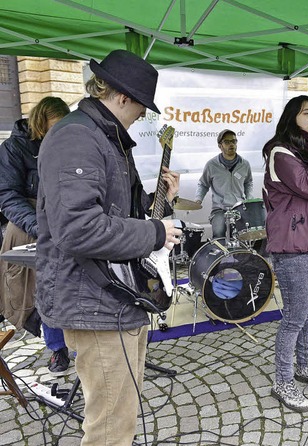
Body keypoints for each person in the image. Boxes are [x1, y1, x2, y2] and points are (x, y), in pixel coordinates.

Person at [36, 49, 182, 445]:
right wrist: (154, 233)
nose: (144, 116)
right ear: (122, 97)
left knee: (121, 415)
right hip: (93, 301)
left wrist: (161, 199)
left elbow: (120, 214)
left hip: (116, 297)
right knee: (109, 427)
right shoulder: (76, 137)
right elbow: (78, 229)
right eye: (142, 108)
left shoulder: (106, 137)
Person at [262, 95, 308, 412]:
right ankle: (283, 380)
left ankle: (305, 366)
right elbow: (307, 187)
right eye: (307, 112)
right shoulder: (280, 152)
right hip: (292, 246)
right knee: (294, 316)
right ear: (292, 117)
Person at [0, 96, 71, 376]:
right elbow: (7, 195)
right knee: (44, 285)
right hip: (30, 224)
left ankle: (82, 339)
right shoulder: (14, 148)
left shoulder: (65, 143)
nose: (60, 131)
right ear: (40, 121)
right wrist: (37, 227)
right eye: (55, 126)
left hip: (64, 220)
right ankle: (57, 348)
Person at [195, 129, 253, 238]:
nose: (231, 144)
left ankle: (240, 255)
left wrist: (249, 198)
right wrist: (198, 199)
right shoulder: (211, 165)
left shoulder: (244, 164)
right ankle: (219, 254)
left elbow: (248, 182)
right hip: (219, 209)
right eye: (227, 142)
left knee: (242, 236)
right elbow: (203, 184)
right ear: (220, 146)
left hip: (239, 208)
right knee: (219, 232)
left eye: (234, 141)